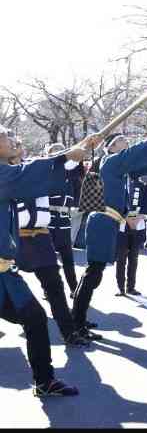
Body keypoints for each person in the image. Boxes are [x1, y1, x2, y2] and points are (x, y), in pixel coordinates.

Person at [0, 125, 90, 396]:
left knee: (36, 318)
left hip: (4, 271)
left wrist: (72, 156)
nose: (12, 139)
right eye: (5, 137)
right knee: (36, 317)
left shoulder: (9, 173)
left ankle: (44, 381)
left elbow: (32, 177)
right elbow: (29, 175)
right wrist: (65, 157)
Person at [72, 126, 147, 341]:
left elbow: (144, 162)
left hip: (108, 221)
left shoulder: (117, 168)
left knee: (94, 273)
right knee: (93, 273)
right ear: (110, 147)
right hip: (103, 221)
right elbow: (139, 152)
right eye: (121, 140)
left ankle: (78, 318)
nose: (126, 142)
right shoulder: (112, 162)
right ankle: (76, 321)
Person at [13, 142, 88, 348]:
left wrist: (89, 143)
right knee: (7, 286)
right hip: (14, 238)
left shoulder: (37, 167)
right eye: (12, 143)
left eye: (19, 143)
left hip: (41, 237)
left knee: (54, 285)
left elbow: (67, 163)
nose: (18, 144)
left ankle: (69, 332)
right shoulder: (6, 173)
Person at [45, 143, 80, 297]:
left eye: (61, 151)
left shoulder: (70, 172)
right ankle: (50, 290)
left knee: (67, 257)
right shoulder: (46, 170)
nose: (59, 154)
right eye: (55, 152)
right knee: (49, 259)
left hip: (64, 220)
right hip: (49, 220)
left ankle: (74, 288)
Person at [115, 174, 147, 297]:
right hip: (121, 224)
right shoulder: (118, 185)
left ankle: (131, 287)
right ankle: (121, 287)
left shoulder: (142, 186)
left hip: (137, 225)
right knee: (121, 258)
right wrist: (127, 218)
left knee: (134, 258)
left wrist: (137, 217)